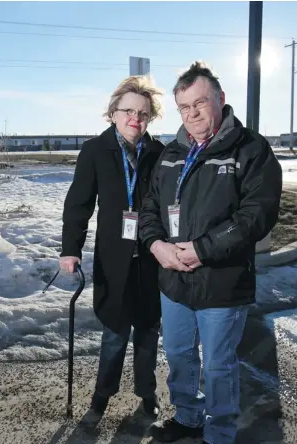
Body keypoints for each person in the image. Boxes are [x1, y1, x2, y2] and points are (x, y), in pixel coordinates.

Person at [139, 61, 282, 443]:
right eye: (184, 107)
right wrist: (156, 245)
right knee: (180, 354)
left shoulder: (250, 149)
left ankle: (219, 434)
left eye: (200, 102)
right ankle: (188, 417)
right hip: (173, 280)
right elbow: (150, 206)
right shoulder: (171, 153)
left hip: (221, 281)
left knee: (219, 366)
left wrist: (202, 250)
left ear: (220, 99)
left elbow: (257, 215)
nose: (193, 113)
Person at [60, 75, 164, 418]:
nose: (136, 118)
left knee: (149, 332)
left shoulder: (159, 154)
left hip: (152, 260)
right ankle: (102, 396)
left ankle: (147, 393)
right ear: (114, 113)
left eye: (143, 113)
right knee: (115, 334)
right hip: (114, 260)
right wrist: (70, 248)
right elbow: (79, 204)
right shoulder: (95, 151)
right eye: (129, 111)